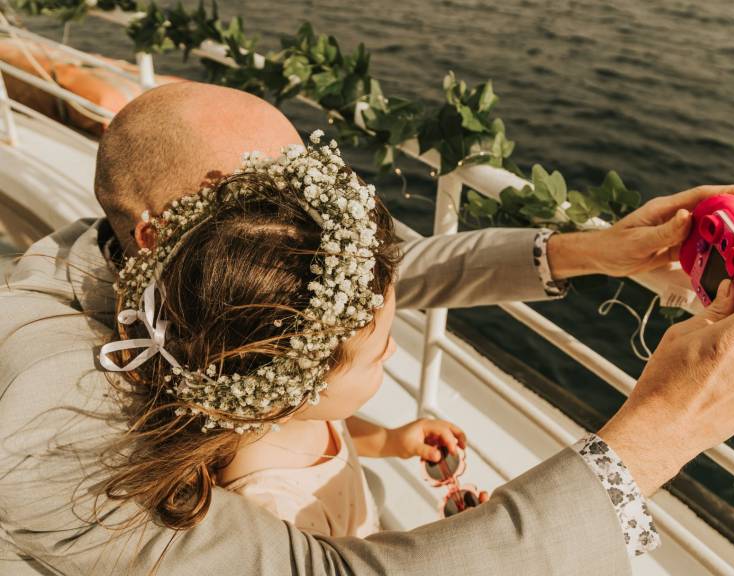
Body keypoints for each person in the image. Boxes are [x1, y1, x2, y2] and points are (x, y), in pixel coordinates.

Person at [0, 82, 734, 576]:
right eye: (278, 191)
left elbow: (354, 276)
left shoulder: (201, 258)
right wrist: (674, 422)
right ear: (160, 230)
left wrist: (598, 251)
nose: (314, 216)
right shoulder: (48, 426)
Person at [95, 130, 478, 539]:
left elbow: (331, 435)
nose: (392, 351)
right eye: (377, 354)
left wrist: (390, 441)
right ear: (294, 383)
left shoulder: (291, 413)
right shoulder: (278, 513)